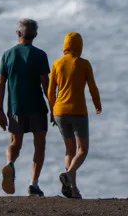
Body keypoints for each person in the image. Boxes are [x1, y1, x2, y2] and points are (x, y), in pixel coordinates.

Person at [0, 18, 51, 197]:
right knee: (39, 146)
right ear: (35, 35)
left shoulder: (7, 55)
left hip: (15, 108)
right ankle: (33, 185)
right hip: (37, 107)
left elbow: (0, 85)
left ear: (18, 34)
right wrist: (54, 107)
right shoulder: (40, 55)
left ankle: (10, 163)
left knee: (15, 144)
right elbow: (46, 85)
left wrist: (0, 111)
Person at [46, 31, 101, 199]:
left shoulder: (57, 63)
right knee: (82, 150)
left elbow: (50, 91)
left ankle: (73, 190)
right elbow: (92, 87)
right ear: (80, 46)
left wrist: (52, 111)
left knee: (69, 150)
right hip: (78, 111)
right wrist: (97, 105)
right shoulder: (84, 64)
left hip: (59, 112)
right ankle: (68, 176)